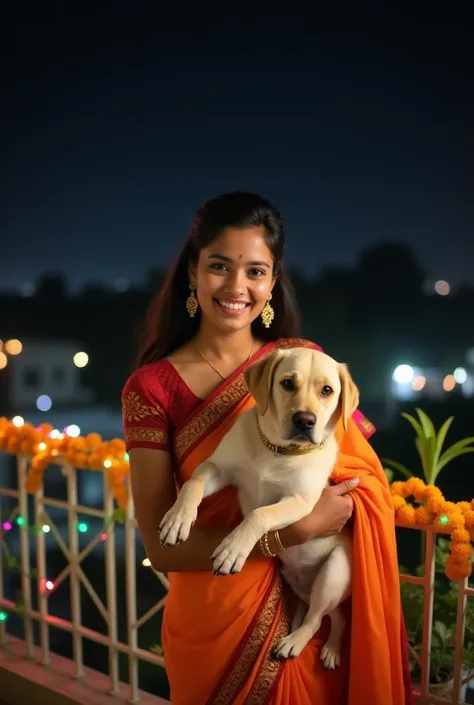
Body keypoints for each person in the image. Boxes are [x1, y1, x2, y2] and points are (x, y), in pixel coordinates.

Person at [122, 192, 413, 705]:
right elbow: (162, 549)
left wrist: (343, 511)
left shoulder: (305, 367)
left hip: (307, 623)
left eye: (255, 270)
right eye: (219, 266)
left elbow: (361, 479)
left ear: (272, 282)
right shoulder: (151, 389)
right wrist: (291, 531)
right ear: (193, 272)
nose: (237, 287)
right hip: (212, 619)